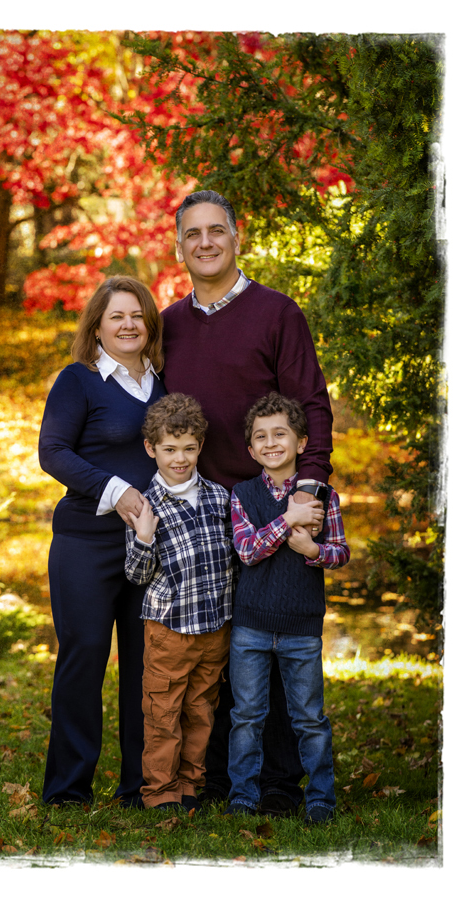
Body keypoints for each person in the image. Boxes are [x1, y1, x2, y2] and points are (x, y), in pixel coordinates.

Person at [161, 189, 334, 816]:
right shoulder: (169, 324)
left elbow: (311, 403)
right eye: (192, 234)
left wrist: (309, 487)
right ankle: (217, 779)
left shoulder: (277, 313)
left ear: (238, 238)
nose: (204, 243)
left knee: (280, 641)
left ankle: (283, 787)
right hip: (201, 513)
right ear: (179, 246)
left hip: (271, 504)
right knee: (215, 651)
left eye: (216, 231)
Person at [38, 275, 166, 808]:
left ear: (149, 324)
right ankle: (68, 789)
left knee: (144, 665)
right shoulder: (79, 380)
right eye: (117, 316)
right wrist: (119, 493)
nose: (128, 325)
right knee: (84, 657)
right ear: (97, 325)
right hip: (85, 543)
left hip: (149, 545)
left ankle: (138, 787)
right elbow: (54, 452)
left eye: (137, 315)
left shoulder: (164, 383)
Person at [226, 393, 349, 822]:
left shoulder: (324, 497)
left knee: (309, 717)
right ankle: (242, 794)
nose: (270, 442)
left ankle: (319, 799)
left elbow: (340, 553)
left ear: (301, 443)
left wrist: (311, 548)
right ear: (251, 449)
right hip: (251, 627)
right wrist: (289, 520)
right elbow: (247, 550)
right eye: (260, 436)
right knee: (246, 716)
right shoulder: (241, 495)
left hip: (301, 627)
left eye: (280, 434)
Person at [124, 393, 233, 811]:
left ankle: (190, 787)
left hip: (214, 628)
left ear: (200, 447)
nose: (180, 458)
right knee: (163, 713)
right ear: (152, 449)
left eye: (189, 448)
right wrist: (145, 536)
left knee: (201, 712)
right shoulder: (144, 507)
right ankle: (160, 793)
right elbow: (136, 576)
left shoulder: (219, 498)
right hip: (170, 630)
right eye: (170, 449)